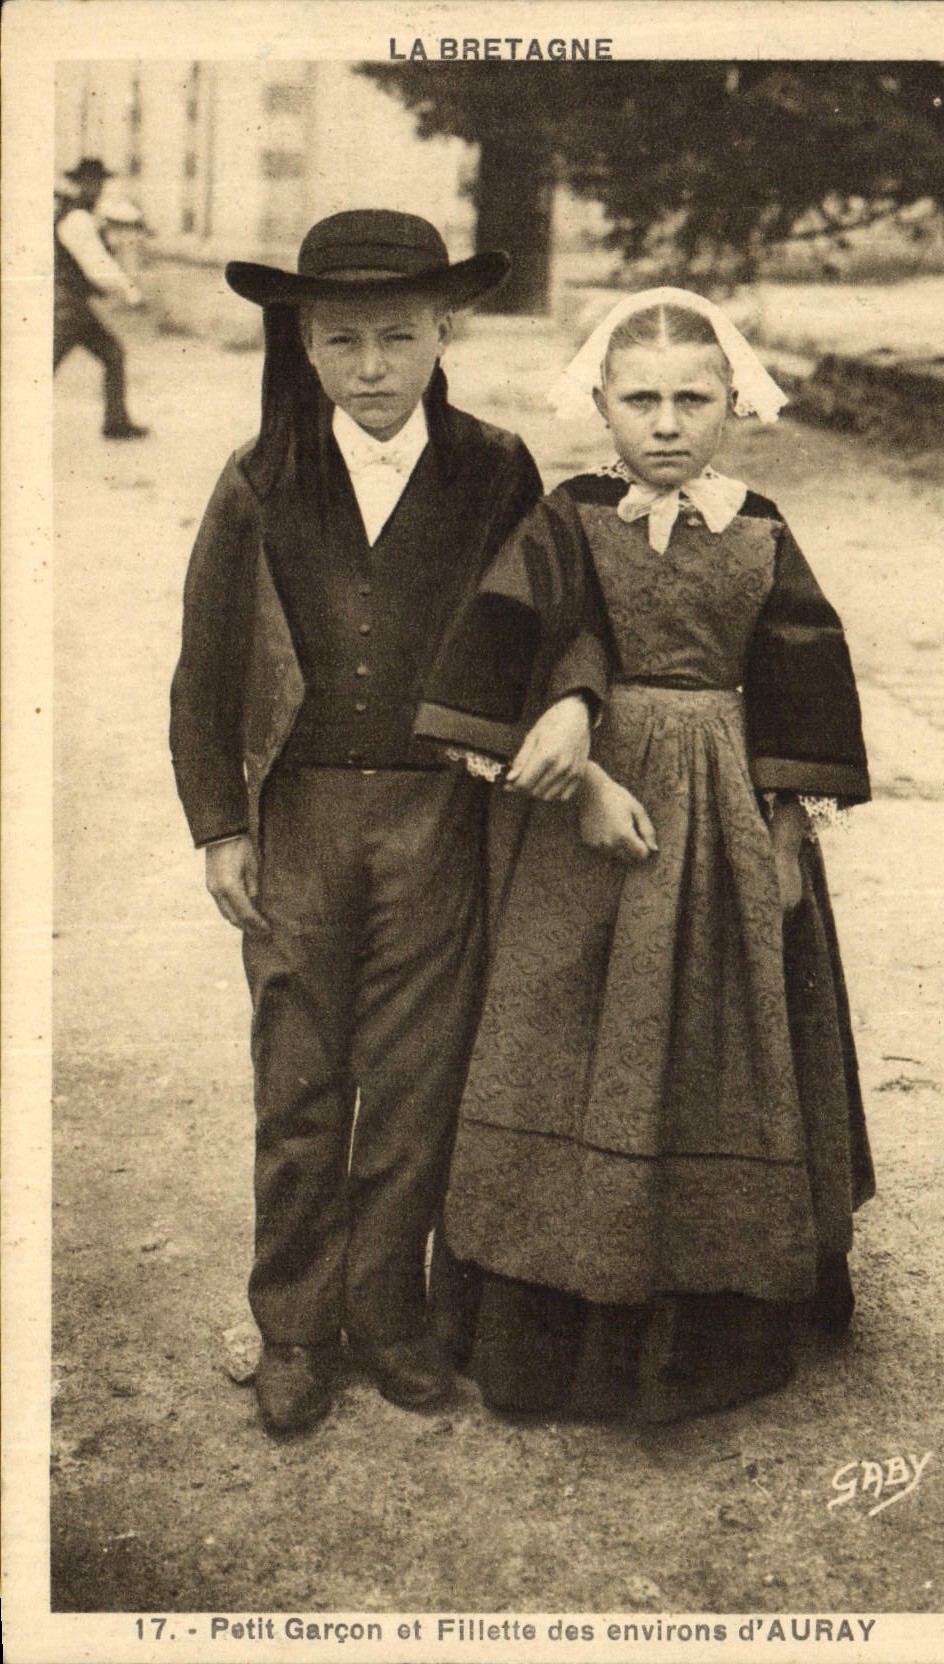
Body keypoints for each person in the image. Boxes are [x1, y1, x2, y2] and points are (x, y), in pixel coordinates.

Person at [169, 211, 603, 1436]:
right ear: (304, 344)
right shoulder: (259, 478)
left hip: (435, 814)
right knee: (300, 1074)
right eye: (345, 339)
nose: (372, 367)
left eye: (398, 337)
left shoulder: (495, 466)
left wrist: (570, 697)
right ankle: (296, 1330)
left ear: (443, 332)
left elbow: (560, 608)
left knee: (417, 1076)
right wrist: (220, 823)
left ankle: (391, 1312)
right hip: (300, 813)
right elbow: (203, 668)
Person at [416, 287, 876, 1423]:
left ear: (733, 404)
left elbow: (796, 676)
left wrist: (779, 835)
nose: (666, 423)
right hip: (589, 815)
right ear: (601, 405)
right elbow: (515, 643)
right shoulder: (569, 517)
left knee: (722, 1029)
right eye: (641, 400)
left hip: (719, 817)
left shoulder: (761, 525)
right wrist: (576, 770)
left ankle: (710, 1298)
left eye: (692, 398)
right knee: (565, 1023)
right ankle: (548, 1304)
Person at [54, 158, 149, 440]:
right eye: (91, 182)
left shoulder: (82, 213)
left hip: (72, 306)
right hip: (66, 307)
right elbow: (97, 266)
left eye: (99, 182)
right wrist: (131, 291)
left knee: (112, 354)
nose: (96, 188)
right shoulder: (76, 219)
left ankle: (116, 423)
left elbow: (121, 214)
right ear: (80, 184)